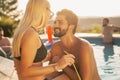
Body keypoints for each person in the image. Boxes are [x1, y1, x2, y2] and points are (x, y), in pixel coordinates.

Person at [12, 0, 75, 80]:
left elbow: (27, 60)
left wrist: (45, 57)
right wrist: (57, 66)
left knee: (65, 75)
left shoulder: (22, 31)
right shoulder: (31, 35)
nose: (50, 15)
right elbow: (25, 72)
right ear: (42, 11)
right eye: (49, 10)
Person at [46, 9, 101, 80]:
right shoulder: (56, 47)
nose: (55, 25)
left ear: (71, 26)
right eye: (55, 22)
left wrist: (62, 65)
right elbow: (50, 74)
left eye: (60, 22)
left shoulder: (83, 47)